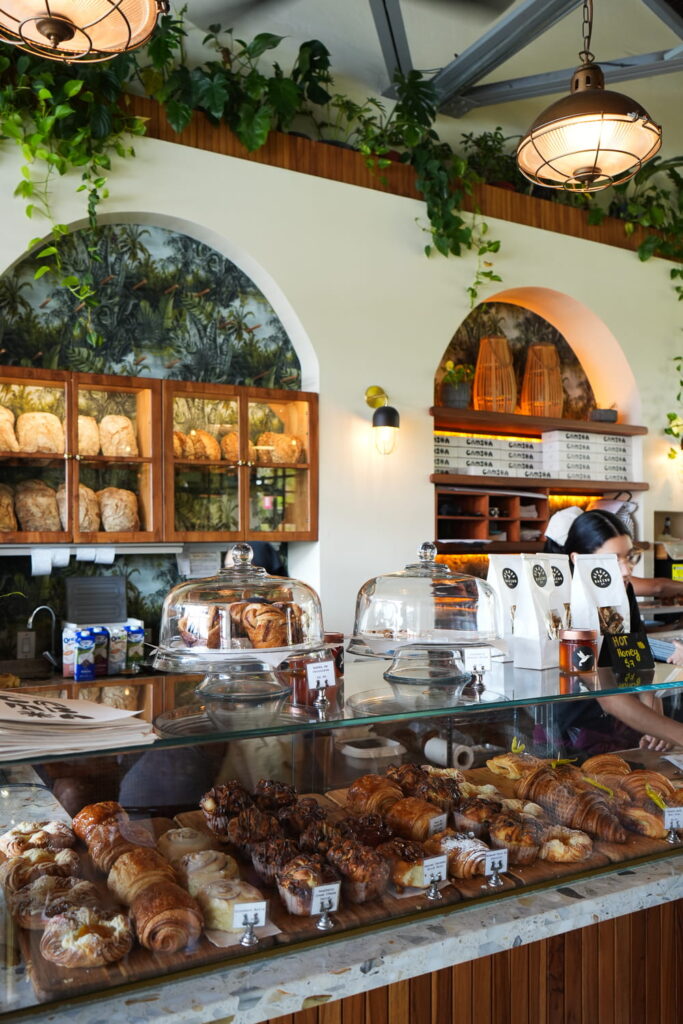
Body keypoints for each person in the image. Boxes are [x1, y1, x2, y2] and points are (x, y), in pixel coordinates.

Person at [545, 508, 683, 754]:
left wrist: (653, 707)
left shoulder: (623, 590)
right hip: (569, 736)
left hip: (620, 729)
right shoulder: (562, 602)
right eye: (613, 560)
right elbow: (605, 694)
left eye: (630, 557)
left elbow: (635, 661)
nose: (627, 570)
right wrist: (674, 732)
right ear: (577, 558)